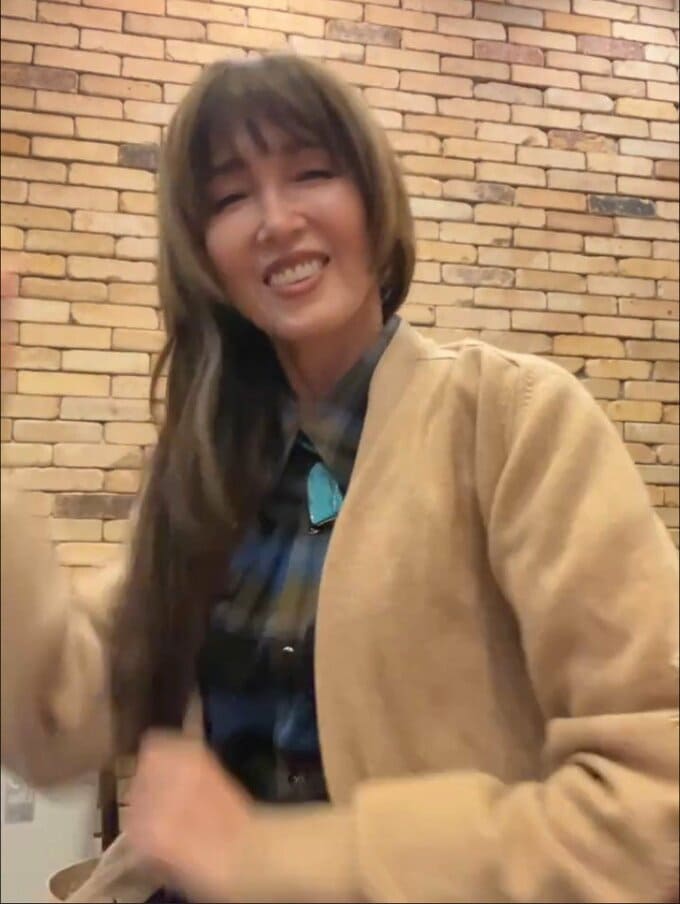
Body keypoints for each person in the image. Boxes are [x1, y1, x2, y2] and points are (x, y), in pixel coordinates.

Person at [1, 53, 678, 904]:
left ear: (373, 200)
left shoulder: (512, 421)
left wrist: (281, 857)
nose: (276, 220)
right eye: (231, 197)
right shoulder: (205, 472)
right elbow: (55, 722)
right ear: (204, 253)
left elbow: (652, 806)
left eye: (312, 174)